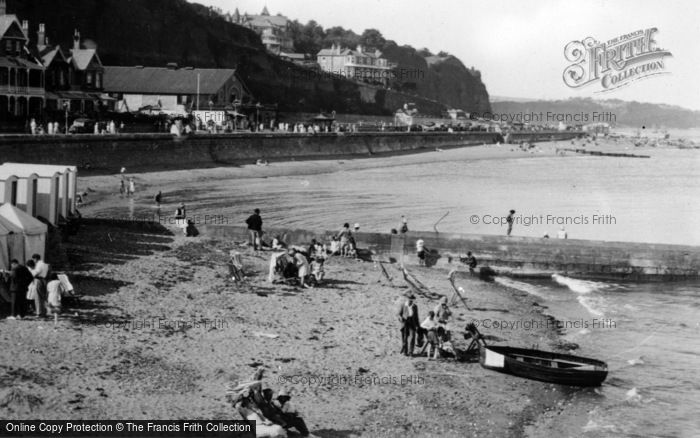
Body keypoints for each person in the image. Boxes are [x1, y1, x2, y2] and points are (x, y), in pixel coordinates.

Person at [397, 292, 419, 357]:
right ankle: (405, 351)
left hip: (412, 323)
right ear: (407, 299)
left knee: (412, 337)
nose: (411, 301)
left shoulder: (415, 307)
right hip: (405, 322)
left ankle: (411, 352)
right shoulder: (403, 305)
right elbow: (398, 314)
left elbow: (416, 317)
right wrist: (400, 318)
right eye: (409, 300)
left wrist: (418, 325)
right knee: (405, 337)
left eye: (412, 300)